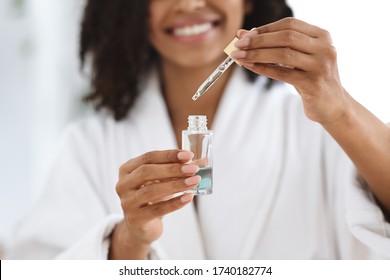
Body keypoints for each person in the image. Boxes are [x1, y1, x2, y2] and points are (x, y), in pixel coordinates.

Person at [7, 0, 390, 260]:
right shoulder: (89, 145)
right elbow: (40, 264)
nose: (189, 3)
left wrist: (340, 111)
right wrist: (129, 238)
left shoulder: (314, 124)